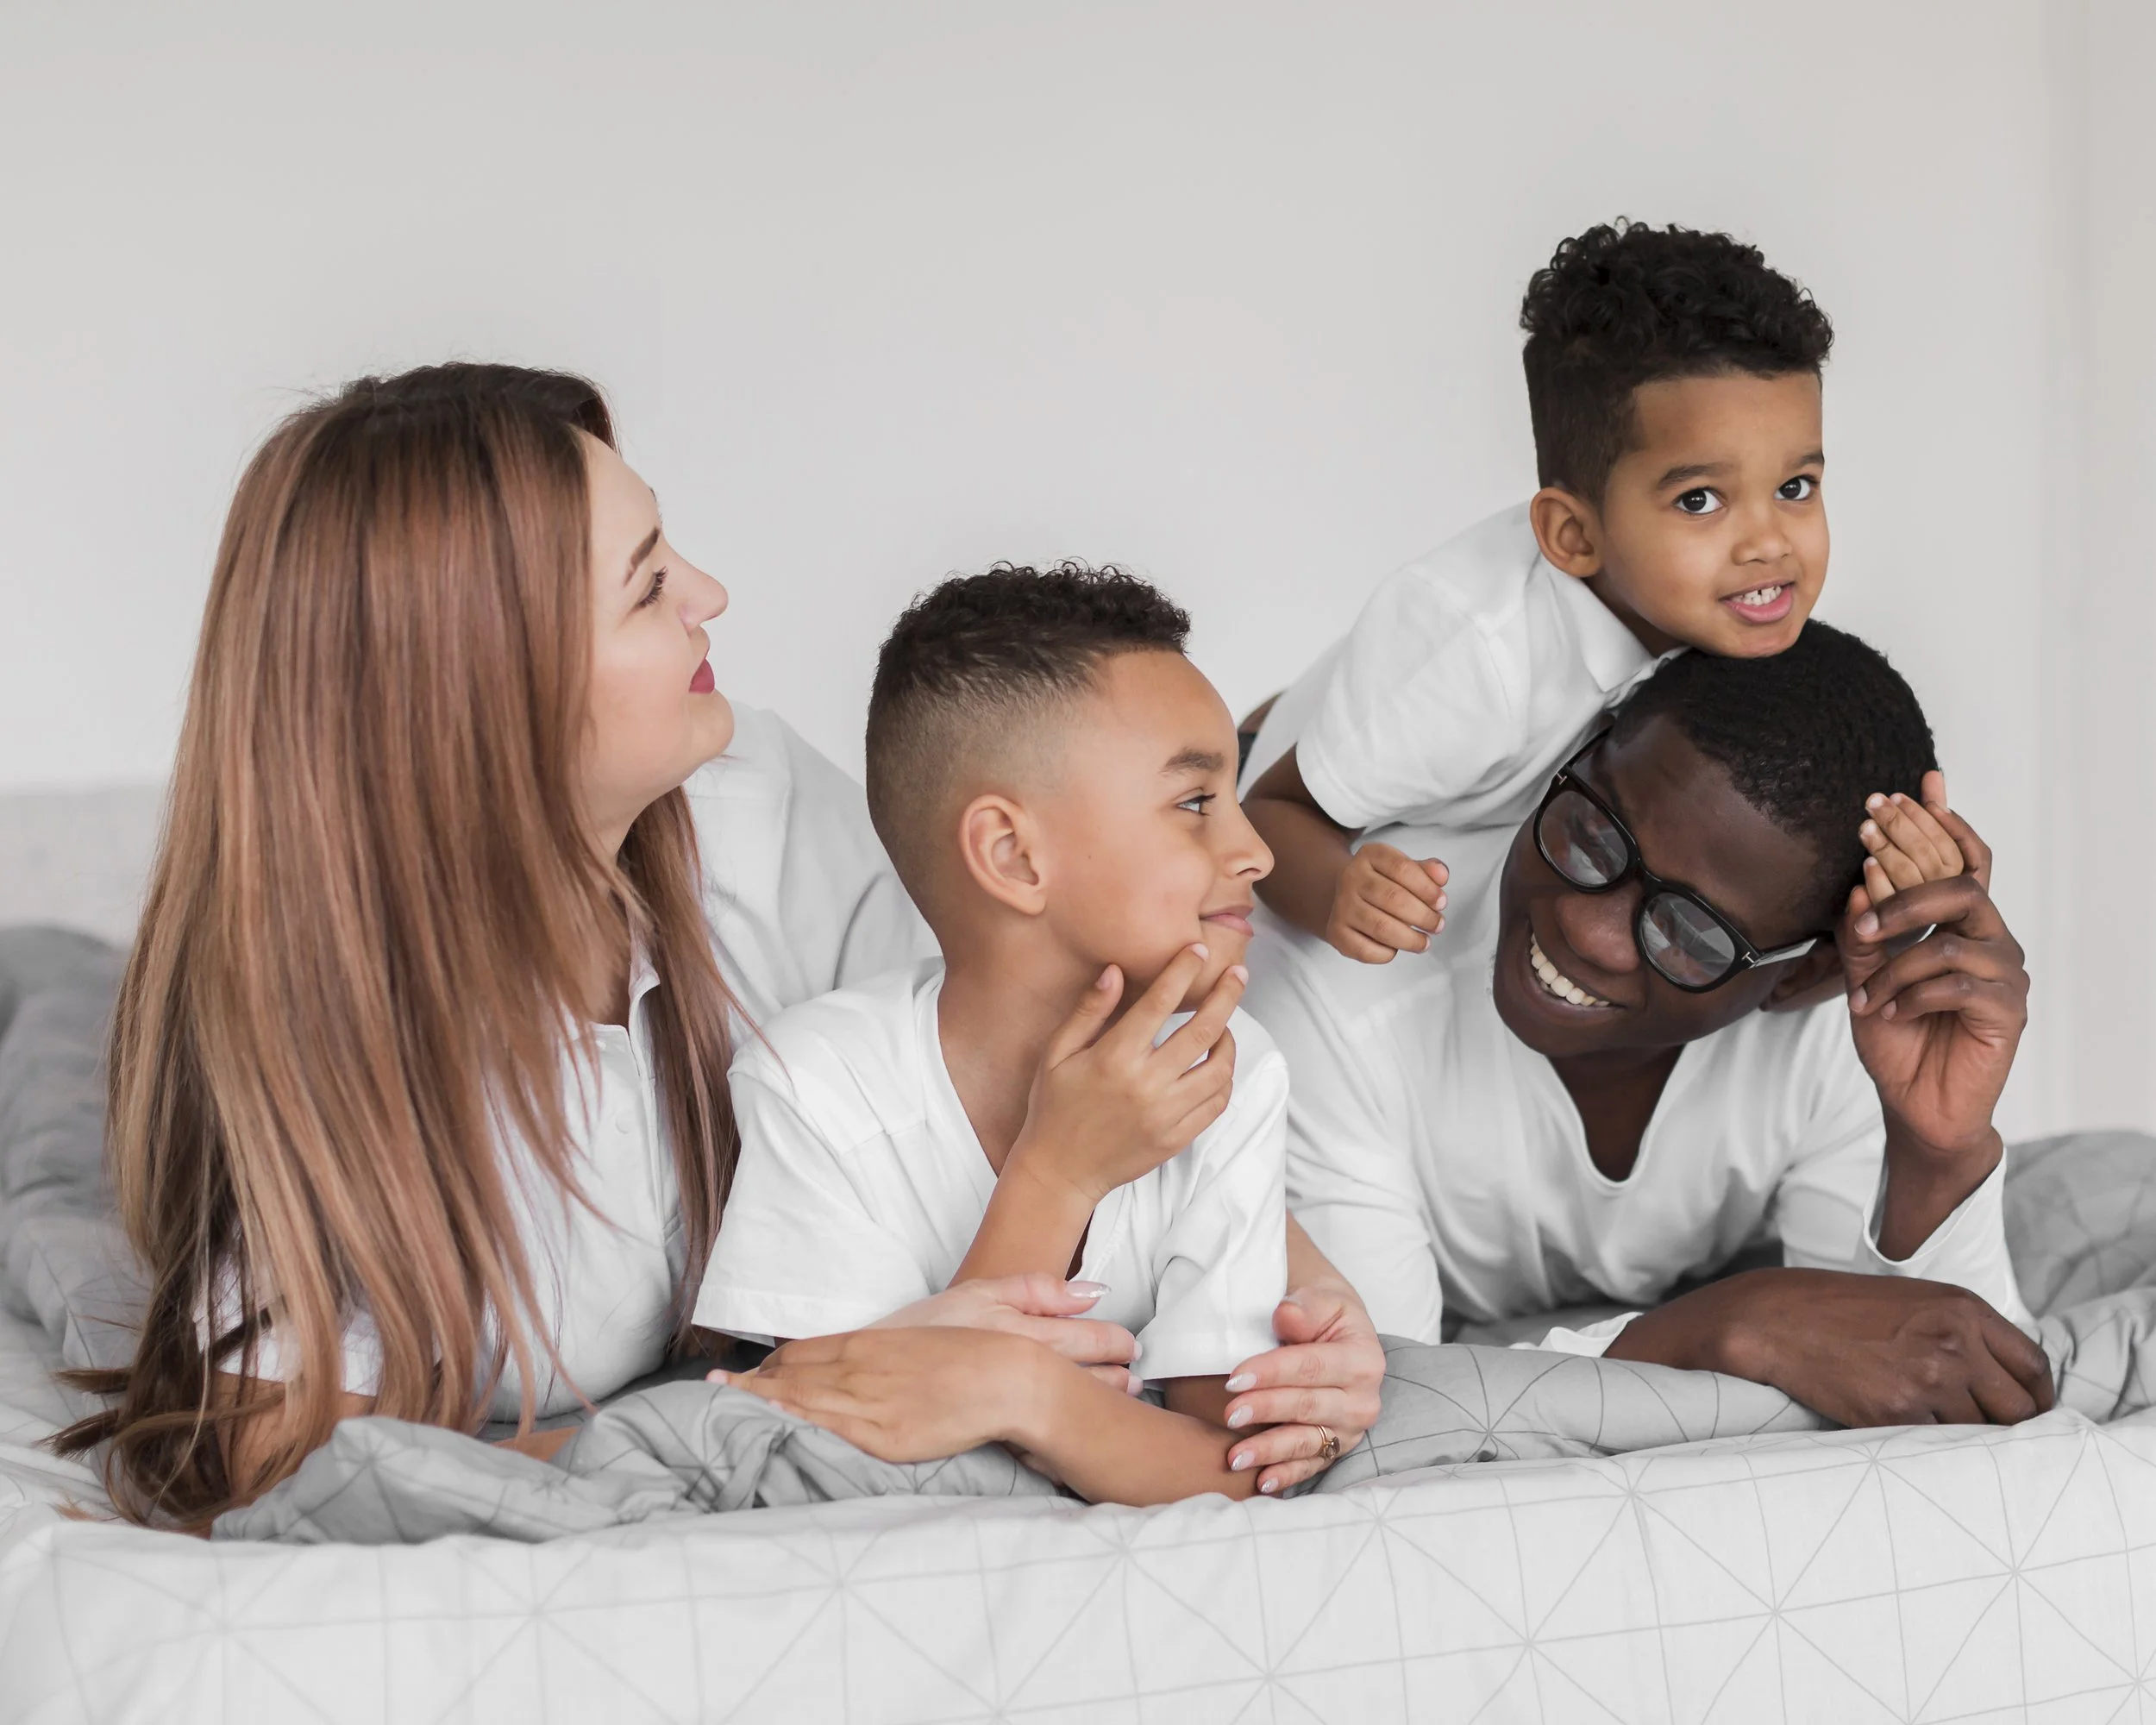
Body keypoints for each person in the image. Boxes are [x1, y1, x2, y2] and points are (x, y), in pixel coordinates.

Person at [56, 370, 1383, 1526]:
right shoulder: (343, 1044)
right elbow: (259, 1445)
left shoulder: (751, 804)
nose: (711, 595)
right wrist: (751, 1407)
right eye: (647, 589)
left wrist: (1307, 1312)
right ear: (487, 689)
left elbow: (1023, 1027)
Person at [1243, 622, 2056, 1428]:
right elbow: (1380, 1414)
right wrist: (1727, 1327)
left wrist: (1938, 1153)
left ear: (1805, 975)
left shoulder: (1856, 1018)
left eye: (1691, 933)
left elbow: (1951, 1376)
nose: (1586, 930)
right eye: (1591, 833)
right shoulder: (1341, 983)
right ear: (1573, 760)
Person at [702, 566, 1366, 1502]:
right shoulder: (814, 1084)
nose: (1254, 850)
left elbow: (1237, 1465)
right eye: (1194, 802)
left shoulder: (1227, 1069)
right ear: (1013, 855)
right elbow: (848, 1462)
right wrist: (1057, 1173)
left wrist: (1030, 1401)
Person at [1238, 220, 1961, 968]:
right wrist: (1337, 892)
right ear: (1574, 536)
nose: (1769, 543)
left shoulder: (1727, 613)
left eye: (1794, 487)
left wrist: (1890, 906)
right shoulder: (1475, 655)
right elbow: (1270, 809)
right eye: (1700, 501)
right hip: (1285, 782)